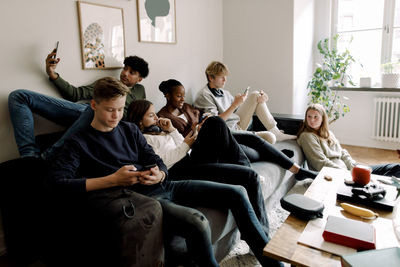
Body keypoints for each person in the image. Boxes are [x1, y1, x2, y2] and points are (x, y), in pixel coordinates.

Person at [48, 77, 282, 267]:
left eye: (120, 109)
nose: (116, 116)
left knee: (238, 192)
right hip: (141, 200)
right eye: (110, 110)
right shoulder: (78, 143)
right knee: (197, 221)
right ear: (94, 105)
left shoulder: (129, 130)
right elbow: (59, 184)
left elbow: (156, 160)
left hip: (164, 184)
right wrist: (112, 180)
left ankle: (271, 260)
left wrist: (159, 173)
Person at [128, 99, 271, 237]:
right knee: (216, 124)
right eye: (151, 115)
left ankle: (243, 166)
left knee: (217, 124)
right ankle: (261, 235)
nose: (157, 117)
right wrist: (186, 145)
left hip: (190, 161)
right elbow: (162, 163)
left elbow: (181, 144)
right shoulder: (144, 140)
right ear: (140, 120)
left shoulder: (161, 131)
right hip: (180, 172)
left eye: (155, 114)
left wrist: (171, 130)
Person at [156, 79, 318, 181]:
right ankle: (266, 163)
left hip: (210, 137)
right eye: (178, 96)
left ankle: (295, 168)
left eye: (184, 95)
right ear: (167, 96)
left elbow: (200, 118)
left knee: (253, 142)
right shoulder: (163, 118)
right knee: (219, 123)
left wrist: (201, 124)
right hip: (197, 150)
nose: (183, 99)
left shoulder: (187, 108)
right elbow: (176, 144)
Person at [8, 50, 149, 160]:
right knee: (19, 96)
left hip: (101, 121)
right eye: (125, 68)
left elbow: (141, 116)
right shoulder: (108, 83)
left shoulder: (140, 91)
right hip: (85, 112)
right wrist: (52, 73)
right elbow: (75, 94)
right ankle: (29, 157)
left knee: (91, 111)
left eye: (132, 72)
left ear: (140, 79)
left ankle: (48, 156)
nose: (125, 73)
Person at [193, 61, 296, 144]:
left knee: (256, 95)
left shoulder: (223, 92)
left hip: (237, 123)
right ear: (211, 78)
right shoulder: (204, 95)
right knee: (270, 138)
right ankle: (269, 134)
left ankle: (275, 130)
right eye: (221, 77)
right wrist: (234, 105)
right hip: (229, 131)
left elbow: (235, 111)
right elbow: (215, 123)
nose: (225, 80)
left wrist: (249, 102)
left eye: (225, 76)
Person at [297, 103, 400, 177]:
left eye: (316, 117)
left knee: (395, 168)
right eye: (309, 117)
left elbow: (342, 153)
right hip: (336, 175)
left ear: (323, 119)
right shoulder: (307, 136)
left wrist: (354, 167)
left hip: (349, 170)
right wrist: (346, 173)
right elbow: (320, 163)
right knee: (383, 176)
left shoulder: (328, 134)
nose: (311, 120)